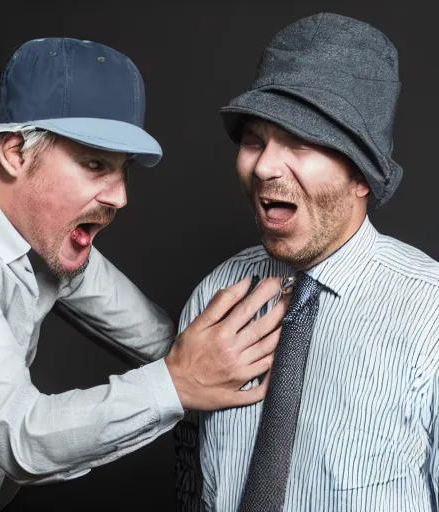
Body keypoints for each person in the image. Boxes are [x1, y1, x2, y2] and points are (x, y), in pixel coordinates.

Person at [0, 37, 290, 511]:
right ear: (14, 152)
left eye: (123, 171)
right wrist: (176, 384)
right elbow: (22, 436)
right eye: (95, 164)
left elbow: (166, 343)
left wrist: (272, 367)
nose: (120, 197)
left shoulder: (42, 238)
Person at [174, 12, 438, 512]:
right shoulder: (215, 296)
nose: (266, 166)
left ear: (363, 176)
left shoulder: (431, 316)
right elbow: (191, 485)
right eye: (255, 140)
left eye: (299, 141)